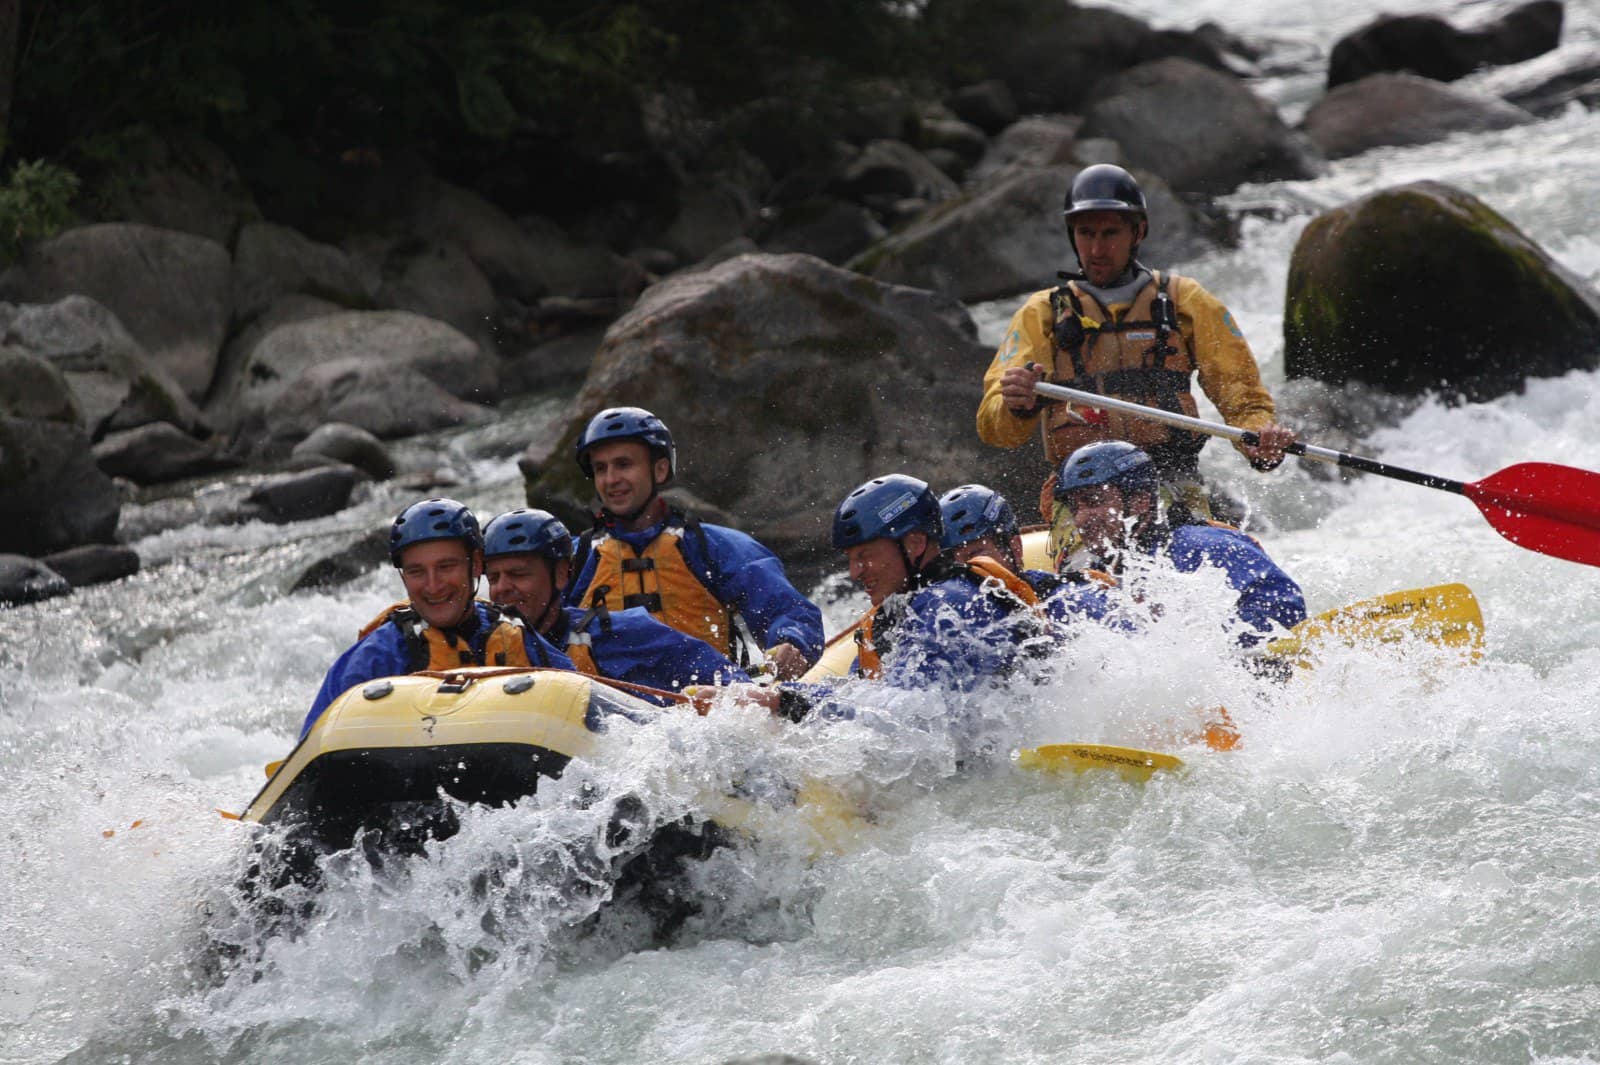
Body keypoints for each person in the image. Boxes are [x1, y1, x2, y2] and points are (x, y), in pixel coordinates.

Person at [975, 163, 1297, 563]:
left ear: (1138, 232)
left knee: (1190, 563)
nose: (1096, 249)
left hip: (1171, 479)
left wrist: (1259, 439)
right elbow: (995, 428)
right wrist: (1016, 402)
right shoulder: (1041, 313)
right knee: (1089, 576)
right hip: (1082, 491)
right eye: (1086, 233)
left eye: (1110, 233)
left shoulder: (1186, 302)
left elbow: (1244, 403)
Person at [563, 406, 824, 680]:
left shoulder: (713, 547)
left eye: (624, 465)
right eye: (600, 469)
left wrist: (792, 641)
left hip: (704, 703)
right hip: (608, 711)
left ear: (660, 469)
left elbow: (787, 609)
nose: (611, 479)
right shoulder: (573, 560)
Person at [300, 498, 575, 736]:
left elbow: (584, 708)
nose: (433, 586)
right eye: (417, 571)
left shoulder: (516, 636)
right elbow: (313, 750)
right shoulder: (377, 657)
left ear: (477, 564)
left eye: (446, 566)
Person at [1053, 442, 1307, 646]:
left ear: (1140, 500)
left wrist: (1208, 642)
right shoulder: (1098, 573)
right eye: (1075, 506)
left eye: (1094, 501)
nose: (1081, 518)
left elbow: (1284, 612)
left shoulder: (1210, 548)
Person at [482, 507, 750, 695]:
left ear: (561, 574)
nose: (503, 588)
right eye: (493, 578)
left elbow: (730, 681)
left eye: (518, 574)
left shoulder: (627, 632)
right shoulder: (483, 642)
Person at [937, 483, 1113, 625]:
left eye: (975, 554)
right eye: (953, 561)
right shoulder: (944, 618)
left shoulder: (1068, 601)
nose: (965, 570)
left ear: (1016, 549)